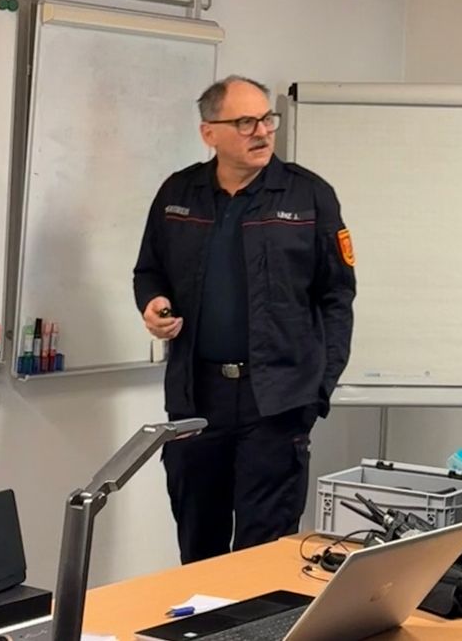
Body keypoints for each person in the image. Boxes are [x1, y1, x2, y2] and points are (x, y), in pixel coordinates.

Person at [133, 75, 356, 564]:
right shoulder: (179, 193)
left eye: (267, 119)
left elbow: (338, 298)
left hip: (275, 402)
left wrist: (318, 392)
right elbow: (149, 271)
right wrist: (151, 303)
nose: (262, 131)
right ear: (209, 132)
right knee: (199, 544)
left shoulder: (308, 196)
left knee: (264, 555)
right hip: (197, 399)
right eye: (245, 121)